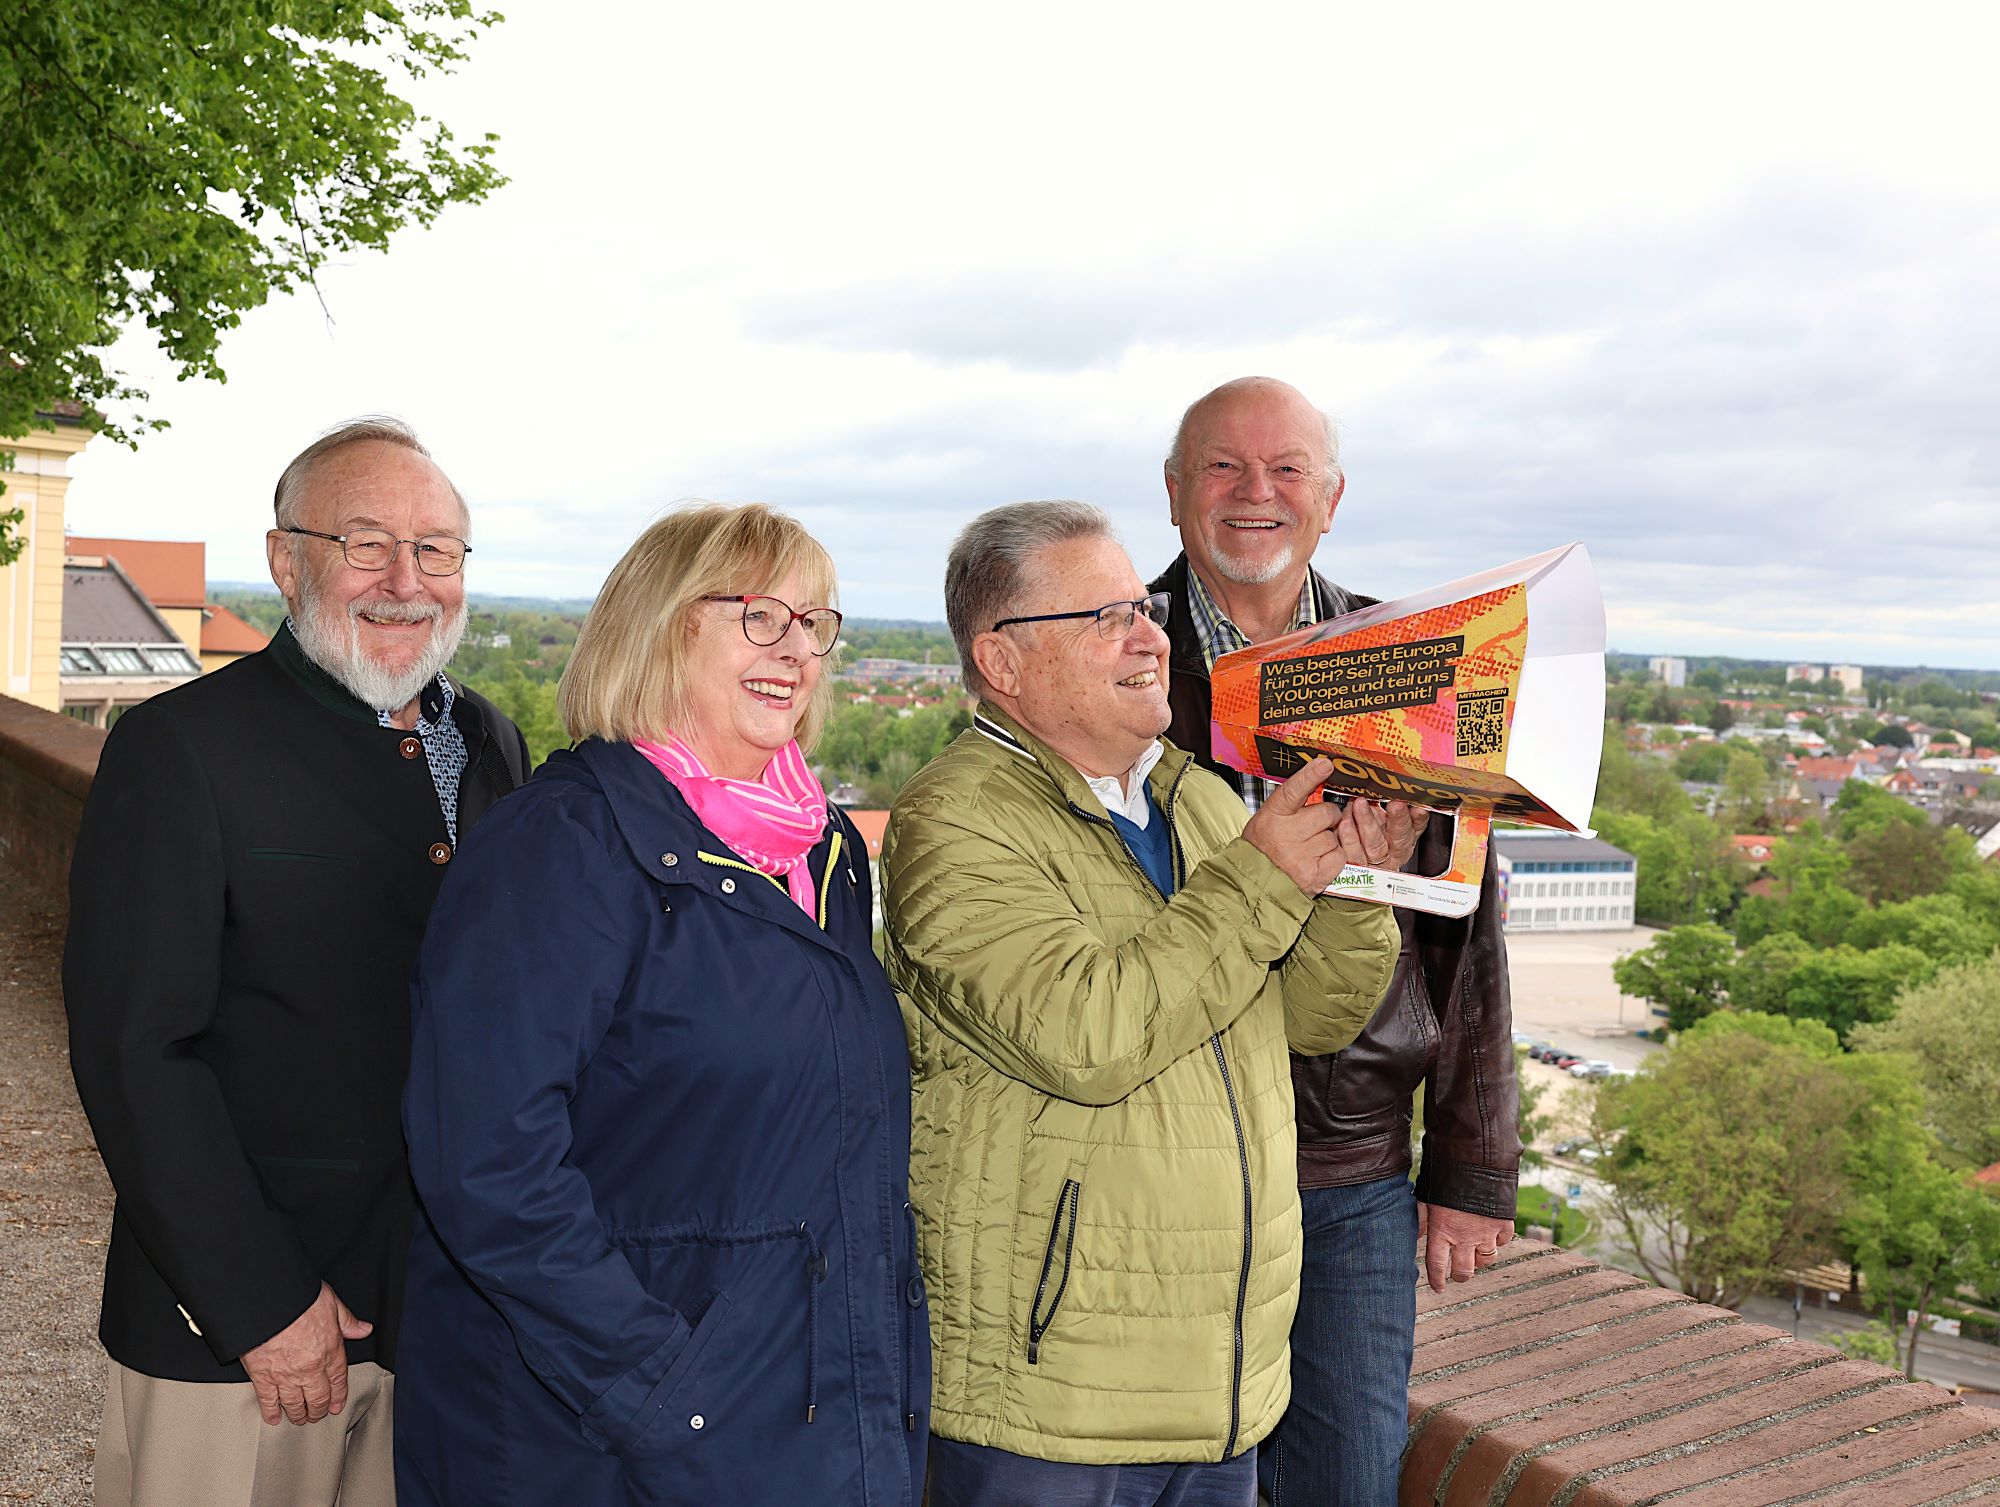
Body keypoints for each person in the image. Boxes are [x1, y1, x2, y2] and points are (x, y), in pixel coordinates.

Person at [882, 500, 1420, 1507]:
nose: (1148, 636)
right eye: (1102, 617)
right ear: (1000, 661)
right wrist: (1263, 879)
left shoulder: (1199, 799)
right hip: (1052, 1405)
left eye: (1144, 606)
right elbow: (1086, 1035)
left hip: (1217, 1394)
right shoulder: (952, 822)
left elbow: (1308, 1019)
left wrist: (1351, 885)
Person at [394, 502, 928, 1506]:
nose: (796, 650)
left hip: (804, 1415)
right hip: (606, 1438)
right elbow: (487, 1162)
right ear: (657, 622)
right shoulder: (564, 845)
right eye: (759, 616)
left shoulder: (822, 852)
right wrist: (664, 1387)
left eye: (816, 622)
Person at [64, 416, 530, 1507]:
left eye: (438, 550)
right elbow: (138, 1051)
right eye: (365, 543)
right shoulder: (179, 748)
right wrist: (262, 1301)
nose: (406, 581)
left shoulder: (492, 743)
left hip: (438, 1319)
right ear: (286, 558)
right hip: (240, 1339)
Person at [1150, 376, 1521, 1505]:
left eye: (1285, 469)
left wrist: (1470, 1167)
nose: (1253, 493)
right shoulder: (1109, 656)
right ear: (1172, 494)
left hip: (1342, 1160)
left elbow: (1469, 928)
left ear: (1331, 497)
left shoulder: (1413, 663)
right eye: (1221, 466)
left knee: (1342, 1481)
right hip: (1167, 1141)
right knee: (1174, 1475)